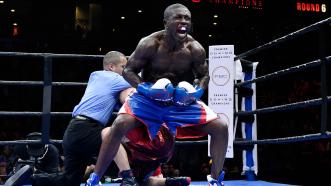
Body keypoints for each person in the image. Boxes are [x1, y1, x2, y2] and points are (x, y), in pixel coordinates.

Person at [87, 3, 228, 186]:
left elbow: (204, 76)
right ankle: (95, 177)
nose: (183, 21)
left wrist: (197, 91)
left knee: (221, 126)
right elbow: (129, 70)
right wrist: (144, 89)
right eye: (178, 17)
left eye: (187, 18)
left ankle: (215, 180)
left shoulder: (195, 49)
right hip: (148, 99)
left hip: (179, 101)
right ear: (165, 22)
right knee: (120, 124)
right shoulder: (150, 44)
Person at [6, 51, 134, 186]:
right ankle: (128, 178)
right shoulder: (112, 78)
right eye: (123, 67)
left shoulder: (98, 78)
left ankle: (32, 178)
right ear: (111, 67)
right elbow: (139, 88)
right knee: (113, 139)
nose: (126, 71)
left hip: (73, 131)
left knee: (69, 180)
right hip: (87, 129)